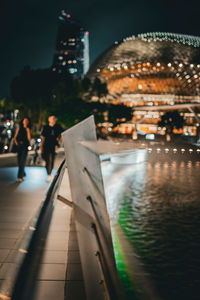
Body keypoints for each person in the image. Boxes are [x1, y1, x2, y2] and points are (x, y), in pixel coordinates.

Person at [40, 115, 63, 182]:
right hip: (46, 146)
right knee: (48, 160)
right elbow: (43, 138)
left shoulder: (58, 127)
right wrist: (41, 147)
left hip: (54, 146)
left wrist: (59, 139)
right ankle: (49, 174)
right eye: (52, 119)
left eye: (54, 119)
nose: (53, 120)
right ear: (49, 120)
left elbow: (62, 134)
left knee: (52, 160)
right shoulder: (46, 127)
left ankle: (50, 172)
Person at [13, 117, 32, 182]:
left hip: (25, 146)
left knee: (22, 161)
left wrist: (28, 131)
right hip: (19, 146)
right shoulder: (19, 128)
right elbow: (15, 137)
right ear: (22, 121)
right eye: (25, 120)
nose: (26, 122)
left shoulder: (28, 129)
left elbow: (29, 139)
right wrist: (16, 143)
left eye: (27, 121)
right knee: (19, 162)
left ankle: (20, 177)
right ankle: (23, 173)